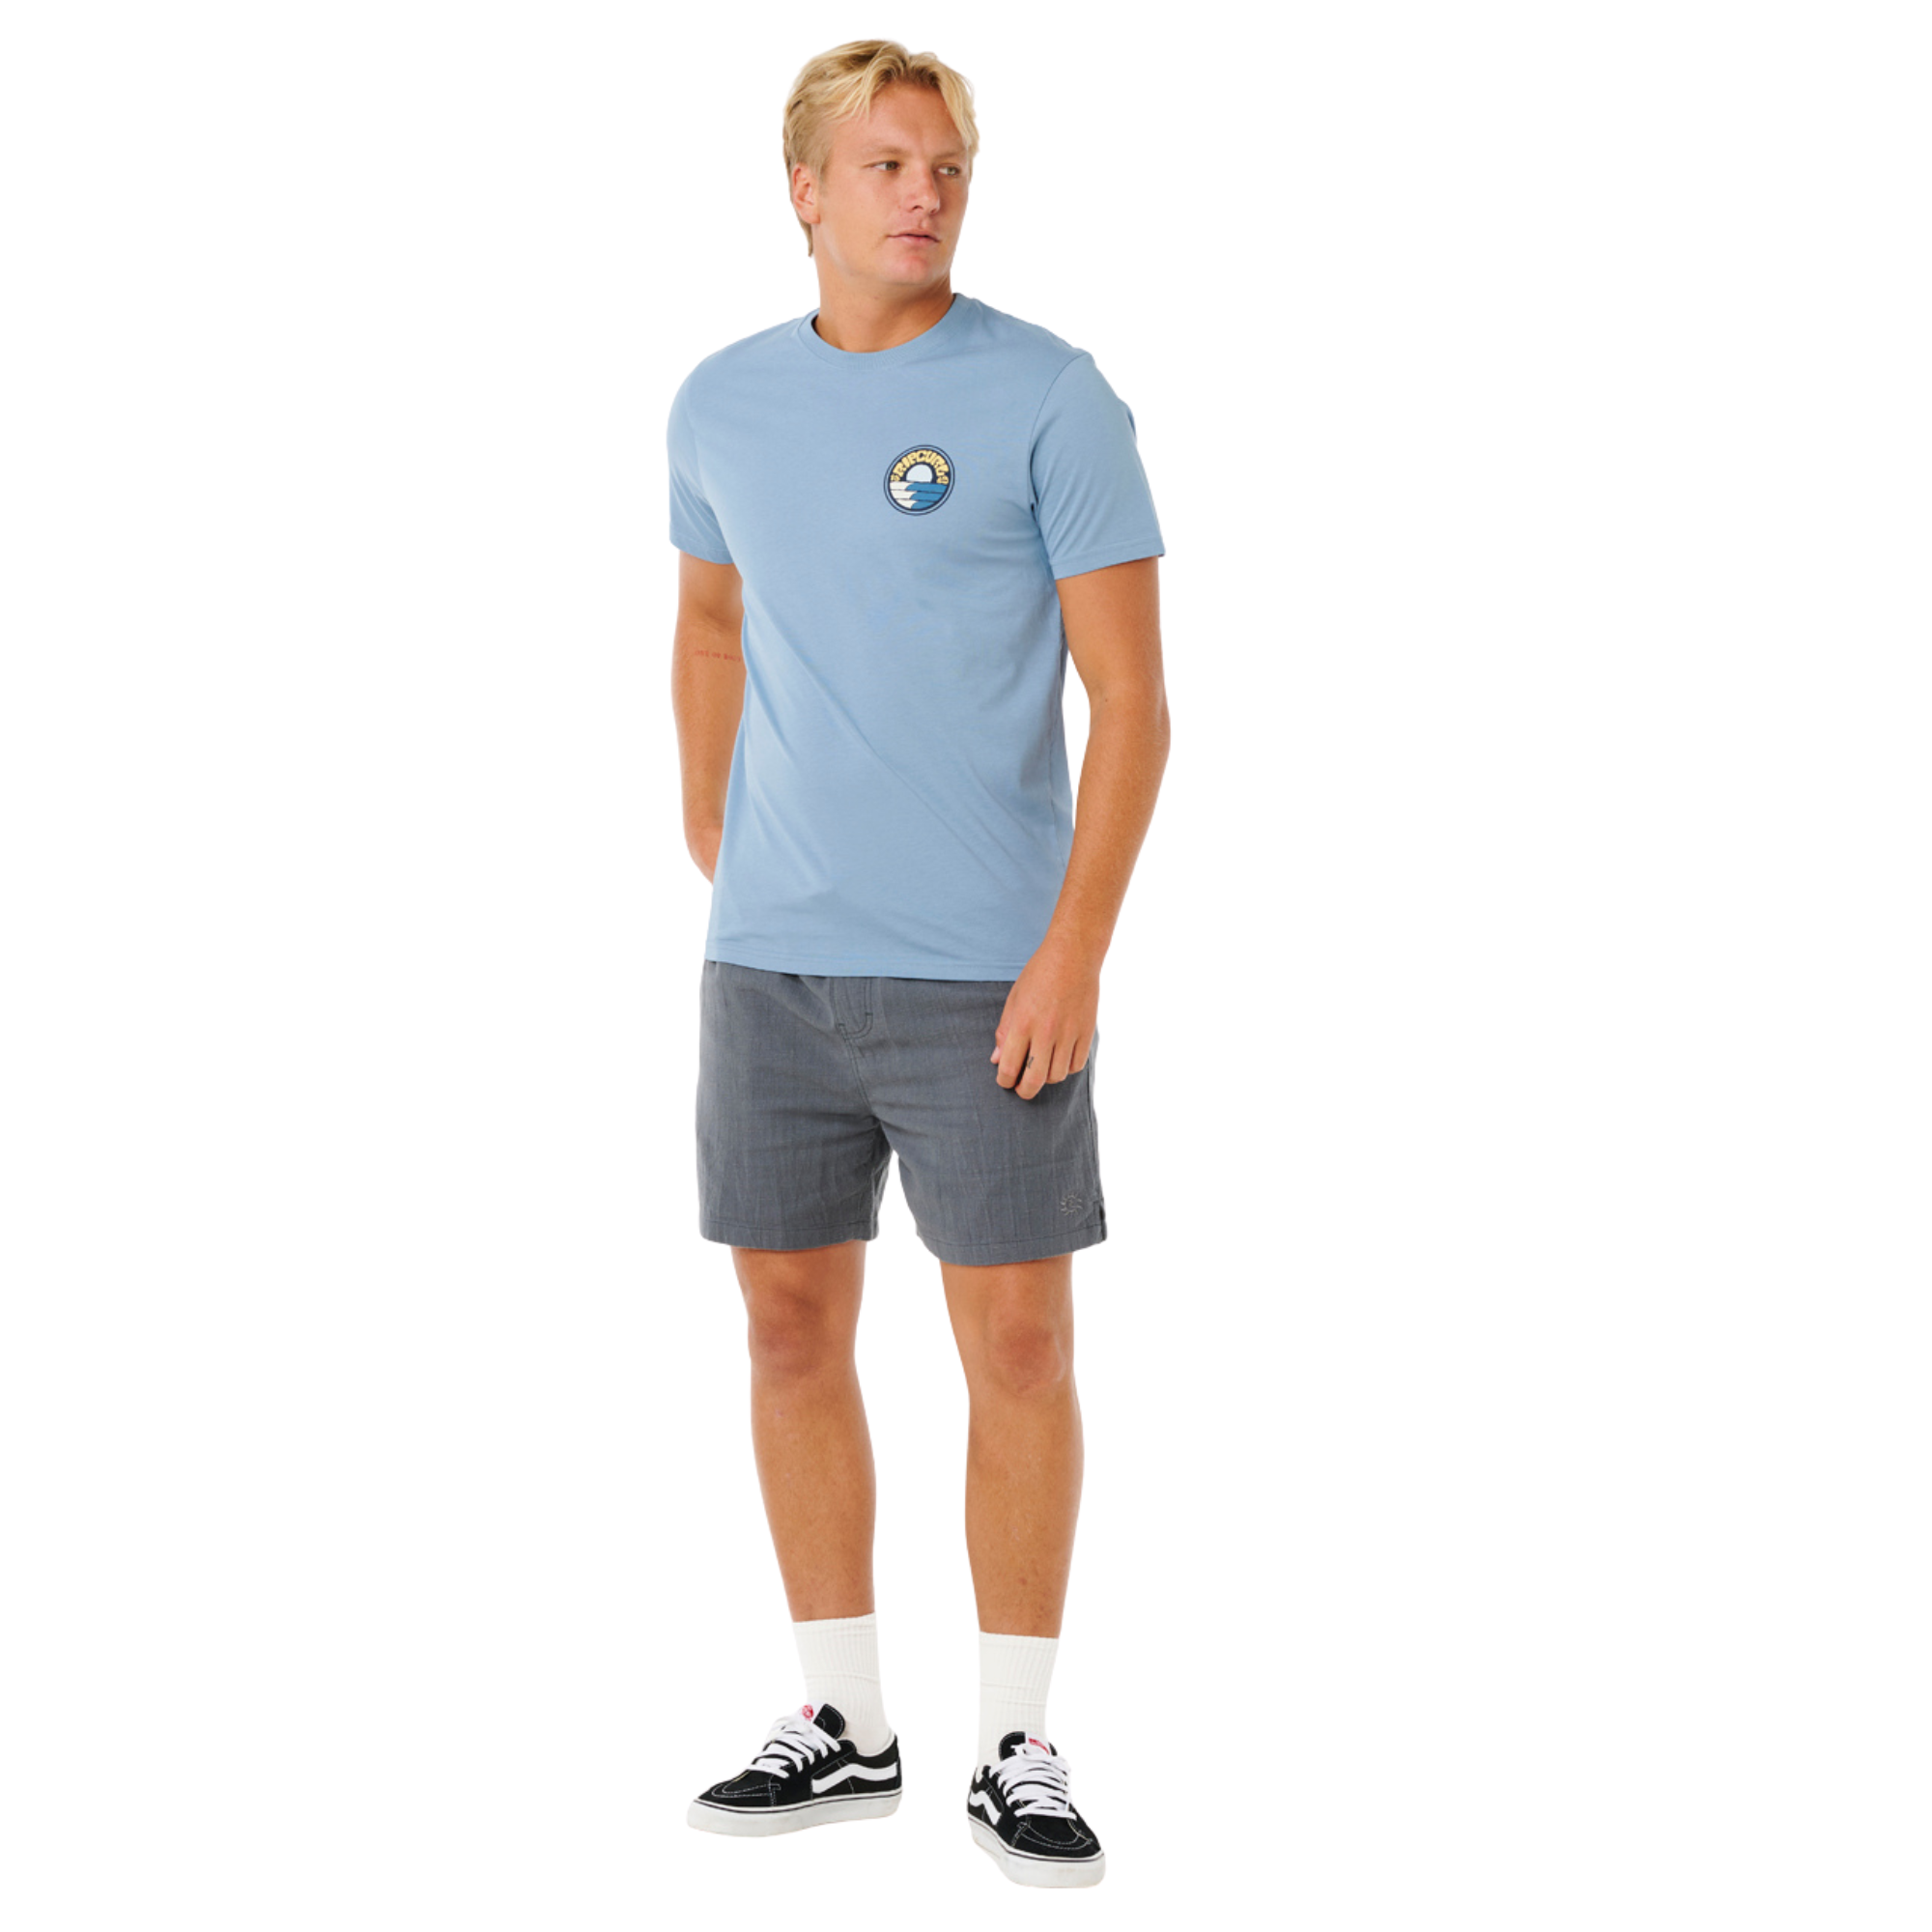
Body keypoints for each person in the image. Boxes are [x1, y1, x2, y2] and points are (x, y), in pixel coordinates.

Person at [668, 39, 1170, 1889]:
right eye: (886, 164)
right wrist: (716, 827)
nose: (925, 194)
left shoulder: (1051, 396)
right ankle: (846, 1723)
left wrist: (1074, 951)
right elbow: (708, 616)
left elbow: (1135, 706)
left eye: (946, 164)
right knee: (787, 1328)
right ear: (805, 189)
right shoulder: (720, 403)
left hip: (987, 976)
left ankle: (1016, 1742)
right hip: (771, 971)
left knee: (1017, 1344)